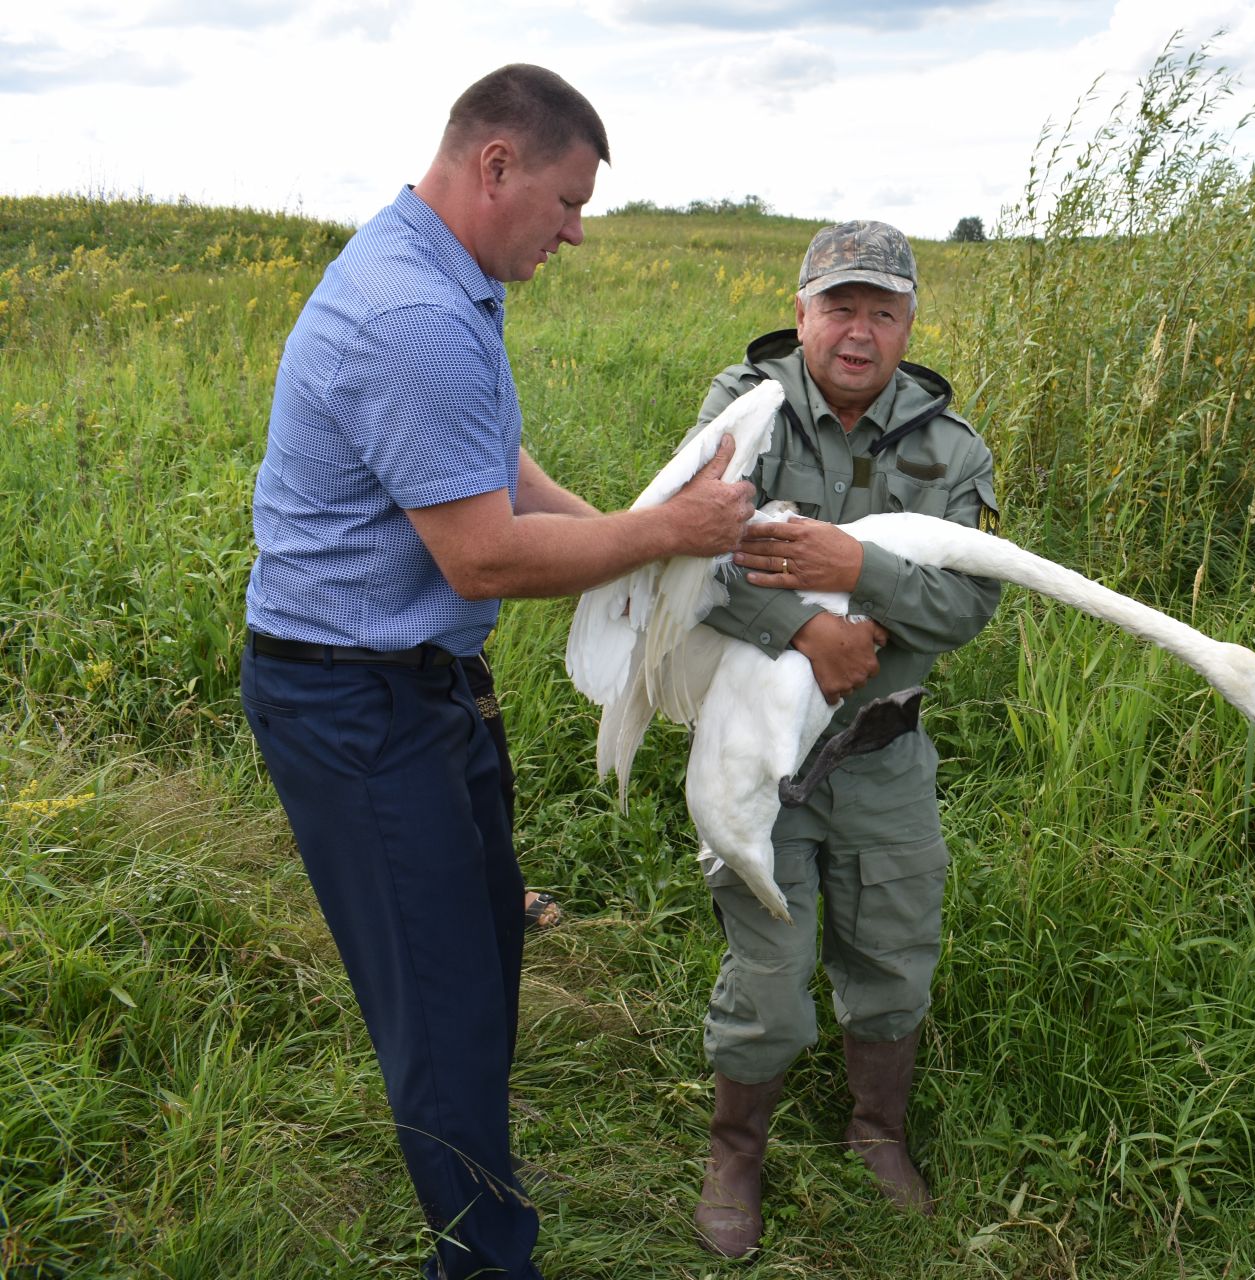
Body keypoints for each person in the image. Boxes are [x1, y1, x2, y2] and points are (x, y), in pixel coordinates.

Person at [239, 65, 754, 1280]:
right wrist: (669, 533)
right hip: (356, 703)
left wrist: (625, 553)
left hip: (419, 690)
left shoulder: (445, 277)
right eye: (569, 200)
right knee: (444, 1002)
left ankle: (476, 1193)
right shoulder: (414, 313)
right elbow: (479, 557)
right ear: (497, 167)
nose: (576, 231)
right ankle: (482, 1259)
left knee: (481, 950)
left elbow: (497, 466)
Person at [685, 220, 1002, 1256]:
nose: (859, 331)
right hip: (761, 759)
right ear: (802, 308)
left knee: (894, 958)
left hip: (883, 755)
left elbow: (964, 610)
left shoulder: (951, 451)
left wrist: (854, 569)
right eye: (840, 306)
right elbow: (695, 563)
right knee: (769, 981)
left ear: (910, 320)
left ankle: (878, 1130)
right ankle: (736, 1150)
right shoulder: (747, 414)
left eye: (883, 309)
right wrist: (810, 631)